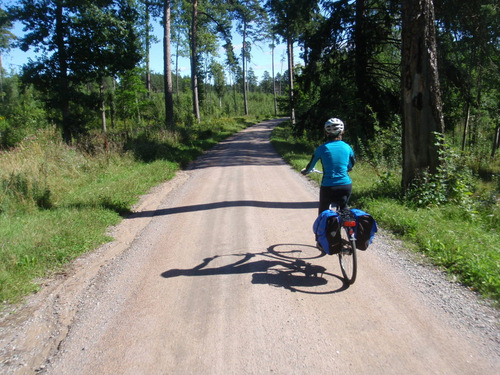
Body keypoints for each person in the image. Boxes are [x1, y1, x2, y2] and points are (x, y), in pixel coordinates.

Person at [302, 118, 356, 215]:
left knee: (323, 214)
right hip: (345, 185)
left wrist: (306, 171)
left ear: (326, 133)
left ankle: (325, 229)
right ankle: (349, 228)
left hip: (328, 187)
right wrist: (347, 169)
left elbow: (311, 165)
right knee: (344, 209)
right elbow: (352, 164)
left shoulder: (321, 148)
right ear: (342, 131)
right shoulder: (347, 147)